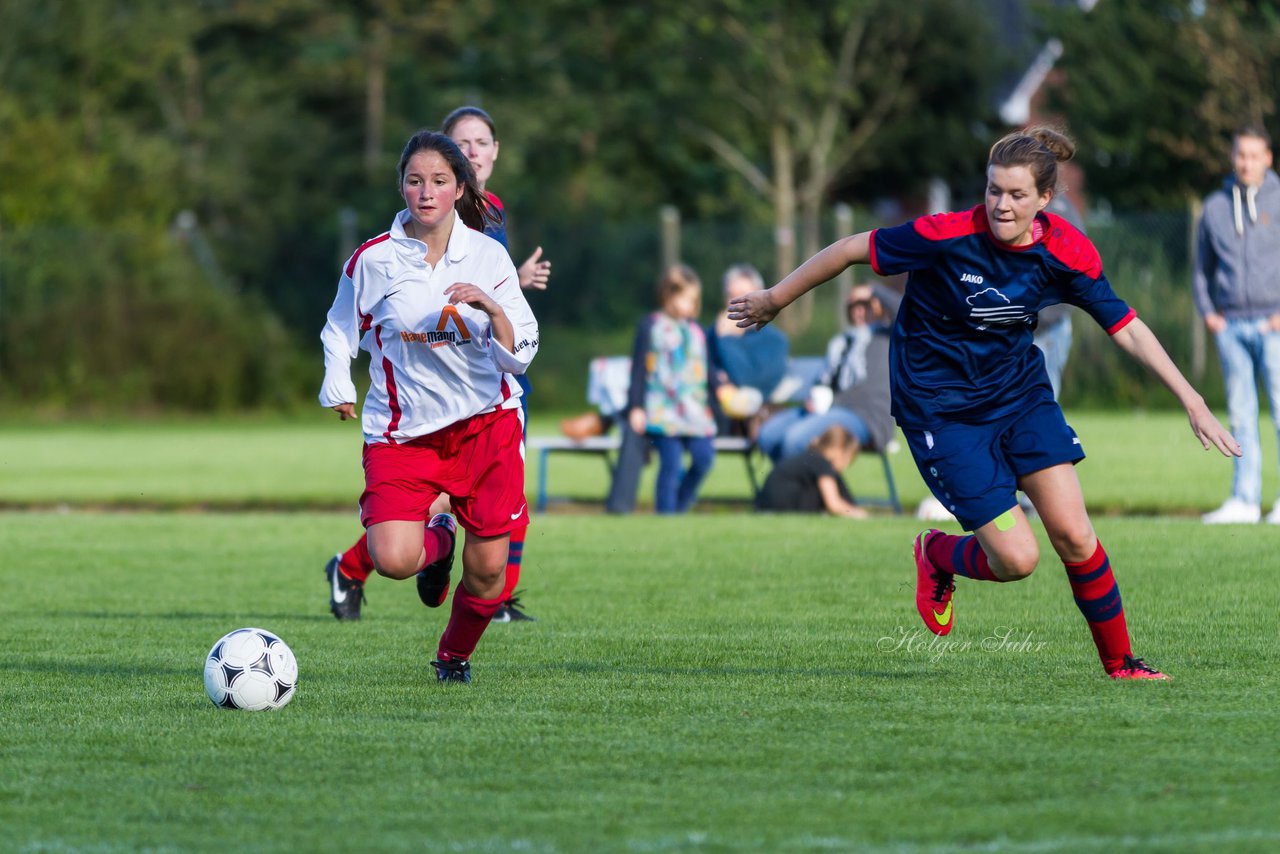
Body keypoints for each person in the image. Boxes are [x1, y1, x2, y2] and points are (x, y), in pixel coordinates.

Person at [729, 126, 1241, 680]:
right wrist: (775, 298)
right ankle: (938, 553)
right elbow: (853, 248)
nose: (1001, 204)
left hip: (1019, 396)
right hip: (940, 411)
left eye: (1017, 195)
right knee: (1018, 560)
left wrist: (1193, 400)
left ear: (1045, 199)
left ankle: (1122, 666)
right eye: (994, 190)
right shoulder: (945, 234)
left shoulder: (1066, 250)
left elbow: (1127, 326)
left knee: (1074, 533)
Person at [319, 129, 538, 683]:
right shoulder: (372, 260)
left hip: (486, 426)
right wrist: (338, 383)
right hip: (403, 433)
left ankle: (453, 657)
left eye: (439, 181)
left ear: (459, 187)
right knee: (393, 558)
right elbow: (340, 329)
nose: (426, 191)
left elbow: (523, 348)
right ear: (401, 187)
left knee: (490, 574)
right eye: (415, 181)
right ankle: (437, 547)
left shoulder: (489, 257)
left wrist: (491, 306)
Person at [1194, 125, 1280, 525]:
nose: (1246, 162)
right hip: (1230, 325)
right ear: (1233, 158)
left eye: (1253, 155)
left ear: (1268, 158)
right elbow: (1201, 269)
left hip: (1275, 324)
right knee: (1242, 415)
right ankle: (1245, 500)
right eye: (1240, 155)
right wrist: (1210, 315)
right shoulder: (1213, 206)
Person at [755, 283, 895, 464]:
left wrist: (876, 289)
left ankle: (804, 488)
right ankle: (796, 487)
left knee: (795, 439)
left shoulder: (888, 336)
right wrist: (814, 397)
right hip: (829, 410)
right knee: (769, 435)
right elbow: (825, 381)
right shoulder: (842, 342)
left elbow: (904, 310)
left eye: (865, 305)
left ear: (878, 306)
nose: (859, 311)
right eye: (853, 306)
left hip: (867, 417)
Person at [625, 263, 718, 514]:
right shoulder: (651, 326)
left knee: (704, 458)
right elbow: (638, 370)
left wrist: (721, 388)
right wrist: (635, 407)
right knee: (671, 464)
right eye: (683, 298)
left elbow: (705, 369)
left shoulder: (697, 331)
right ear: (668, 295)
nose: (688, 305)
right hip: (663, 410)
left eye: (693, 300)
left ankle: (680, 505)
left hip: (695, 411)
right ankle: (666, 515)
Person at [707, 263, 790, 431]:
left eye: (743, 296)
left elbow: (749, 381)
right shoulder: (711, 335)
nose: (735, 303)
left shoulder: (774, 340)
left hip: (751, 419)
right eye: (731, 296)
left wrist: (727, 340)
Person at [755, 425, 868, 519]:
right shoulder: (822, 463)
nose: (846, 466)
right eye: (847, 459)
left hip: (765, 507)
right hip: (785, 508)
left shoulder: (809, 457)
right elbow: (833, 504)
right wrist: (859, 514)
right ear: (837, 449)